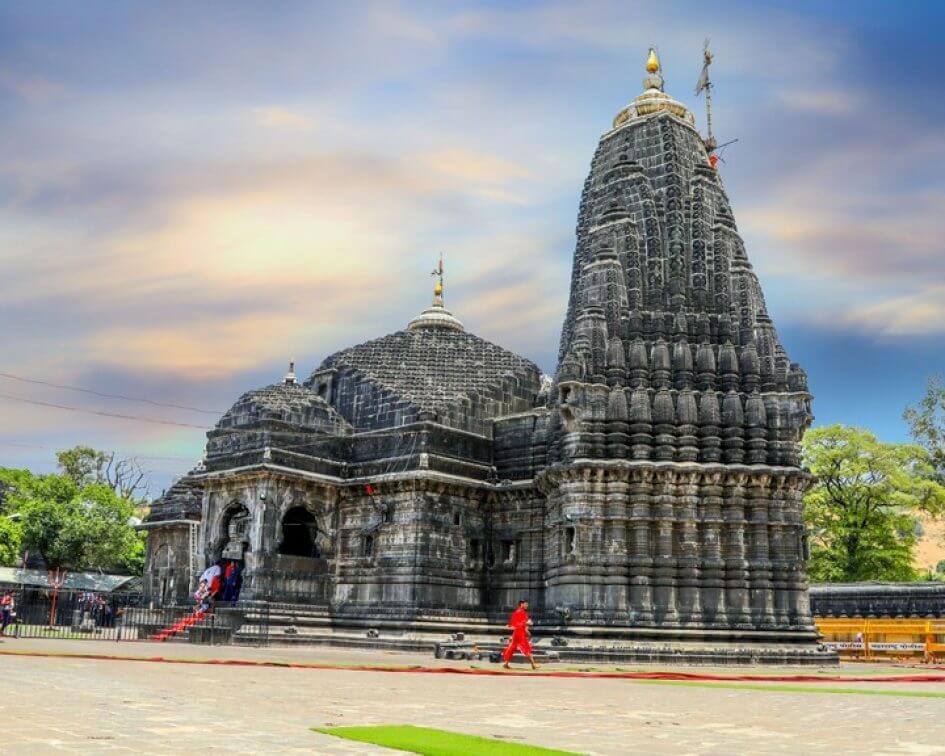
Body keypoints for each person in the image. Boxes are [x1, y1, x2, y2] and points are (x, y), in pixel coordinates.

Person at [502, 598, 539, 670]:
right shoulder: (520, 612)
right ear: (521, 604)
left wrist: (526, 627)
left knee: (512, 648)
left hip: (517, 632)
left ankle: (506, 664)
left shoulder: (520, 612)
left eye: (527, 604)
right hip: (519, 633)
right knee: (526, 647)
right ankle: (533, 665)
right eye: (526, 604)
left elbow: (514, 622)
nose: (527, 605)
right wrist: (526, 624)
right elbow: (517, 623)